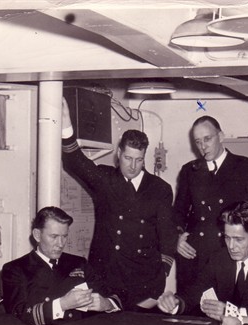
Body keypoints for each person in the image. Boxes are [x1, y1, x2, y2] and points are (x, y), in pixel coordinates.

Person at [61, 98, 177, 310]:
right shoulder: (105, 180)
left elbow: (168, 237)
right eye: (127, 158)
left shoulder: (160, 188)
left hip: (143, 279)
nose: (133, 166)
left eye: (139, 160)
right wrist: (66, 126)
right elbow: (75, 162)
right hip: (105, 275)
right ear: (118, 154)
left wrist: (161, 273)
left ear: (144, 157)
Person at [159, 201, 248, 325]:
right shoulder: (219, 258)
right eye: (227, 237)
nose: (231, 246)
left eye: (238, 239)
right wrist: (175, 302)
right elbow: (195, 291)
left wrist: (233, 313)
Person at [174, 116, 248, 290]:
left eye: (207, 139)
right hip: (194, 256)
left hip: (228, 253)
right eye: (198, 142)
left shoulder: (244, 166)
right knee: (191, 311)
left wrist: (246, 238)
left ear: (221, 136)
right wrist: (177, 238)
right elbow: (177, 212)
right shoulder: (189, 170)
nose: (203, 146)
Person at [1, 206, 120, 325]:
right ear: (37, 235)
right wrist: (62, 304)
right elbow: (17, 317)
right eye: (54, 237)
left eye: (64, 236)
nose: (60, 244)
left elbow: (113, 295)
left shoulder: (78, 263)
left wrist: (107, 304)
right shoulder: (15, 269)